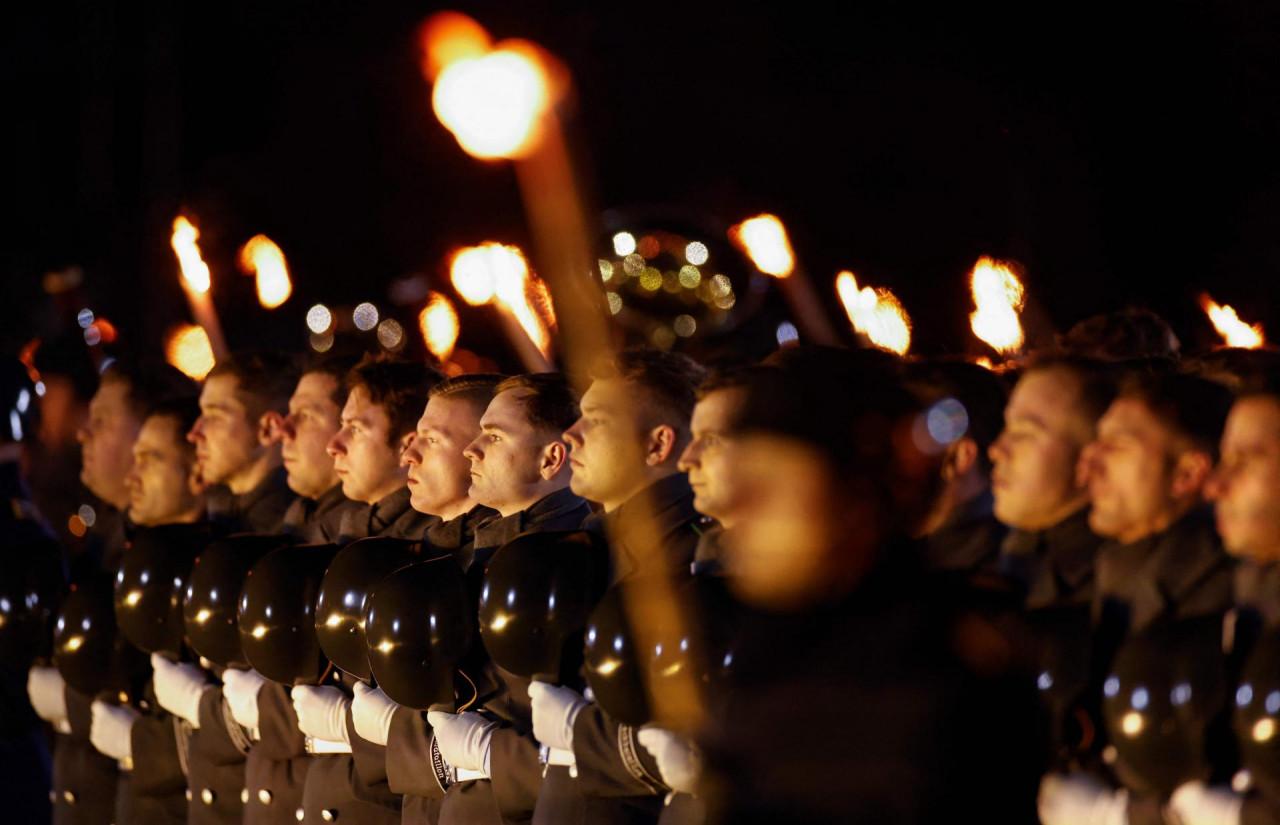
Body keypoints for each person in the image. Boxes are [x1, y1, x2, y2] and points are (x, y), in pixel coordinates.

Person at [699, 347, 1041, 823]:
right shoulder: (773, 637)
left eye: (771, 485)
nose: (743, 508)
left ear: (858, 494)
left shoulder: (931, 675)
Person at [403, 372, 592, 825]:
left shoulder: (573, 560)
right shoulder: (478, 552)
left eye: (492, 435)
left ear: (552, 458)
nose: (472, 448)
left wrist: (495, 756)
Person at [527, 350, 707, 825]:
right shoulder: (590, 548)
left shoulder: (688, 561)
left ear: (657, 445)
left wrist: (578, 731)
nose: (571, 434)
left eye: (596, 421)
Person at [294, 355, 442, 825]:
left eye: (356, 429)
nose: (335, 445)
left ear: (407, 442)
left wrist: (351, 729)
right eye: (340, 426)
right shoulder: (342, 532)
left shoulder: (426, 550)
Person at [188, 351, 299, 534]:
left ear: (268, 429)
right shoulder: (226, 515)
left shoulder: (283, 531)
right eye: (202, 415)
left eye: (214, 417)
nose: (194, 434)